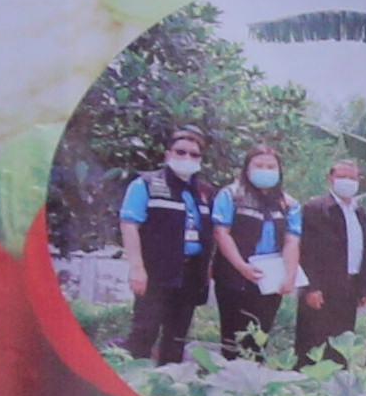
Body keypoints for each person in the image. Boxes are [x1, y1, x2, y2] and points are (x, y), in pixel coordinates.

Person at [116, 131, 210, 362]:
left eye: (194, 154)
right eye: (181, 152)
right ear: (168, 154)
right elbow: (129, 225)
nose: (187, 158)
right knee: (144, 332)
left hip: (190, 273)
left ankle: (169, 380)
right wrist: (137, 268)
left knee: (177, 337)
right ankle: (133, 379)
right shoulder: (146, 184)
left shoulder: (204, 192)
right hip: (155, 272)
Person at [211, 144, 302, 366]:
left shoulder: (288, 203)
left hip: (270, 278)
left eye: (271, 167)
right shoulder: (231, 195)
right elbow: (221, 233)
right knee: (233, 335)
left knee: (260, 335)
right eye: (259, 165)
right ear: (247, 168)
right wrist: (241, 266)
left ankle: (255, 380)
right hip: (234, 275)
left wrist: (290, 275)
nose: (265, 170)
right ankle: (229, 378)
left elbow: (292, 240)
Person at [298, 155, 366, 362]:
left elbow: (364, 250)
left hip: (349, 289)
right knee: (313, 345)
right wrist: (310, 288)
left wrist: (363, 287)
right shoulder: (315, 208)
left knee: (340, 345)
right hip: (321, 289)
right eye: (342, 176)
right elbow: (305, 251)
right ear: (330, 178)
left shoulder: (358, 212)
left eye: (352, 178)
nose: (347, 182)